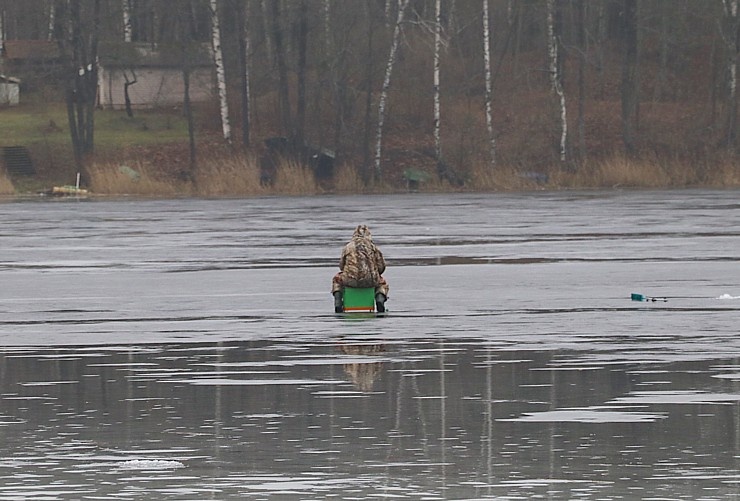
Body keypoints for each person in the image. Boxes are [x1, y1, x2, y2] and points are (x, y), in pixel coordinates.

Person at [332, 225, 389, 313]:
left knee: (336, 279)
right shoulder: (374, 247)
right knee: (382, 283)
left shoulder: (347, 247)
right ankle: (379, 299)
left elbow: (341, 266)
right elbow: (381, 267)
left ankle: (338, 301)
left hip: (350, 280)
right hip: (371, 281)